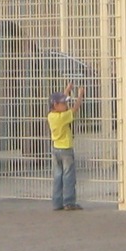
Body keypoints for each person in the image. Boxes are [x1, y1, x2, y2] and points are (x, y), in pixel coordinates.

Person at [47, 83, 80, 211]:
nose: (66, 105)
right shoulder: (63, 117)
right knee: (68, 177)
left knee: (57, 176)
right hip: (66, 149)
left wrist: (66, 90)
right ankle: (69, 202)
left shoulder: (51, 116)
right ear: (56, 105)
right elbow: (75, 109)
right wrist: (80, 95)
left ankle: (57, 203)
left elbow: (62, 104)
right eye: (63, 103)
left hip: (55, 148)